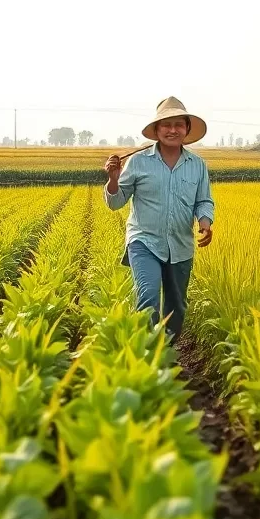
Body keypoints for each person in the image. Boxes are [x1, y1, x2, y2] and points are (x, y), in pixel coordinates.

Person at [104, 96, 214, 340]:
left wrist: (205, 222)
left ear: (186, 129)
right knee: (148, 296)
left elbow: (203, 201)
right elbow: (115, 202)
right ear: (156, 130)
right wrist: (113, 178)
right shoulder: (138, 162)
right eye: (166, 124)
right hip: (144, 242)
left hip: (180, 245)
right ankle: (147, 352)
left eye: (178, 124)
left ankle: (167, 353)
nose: (172, 130)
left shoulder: (197, 165)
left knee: (176, 308)